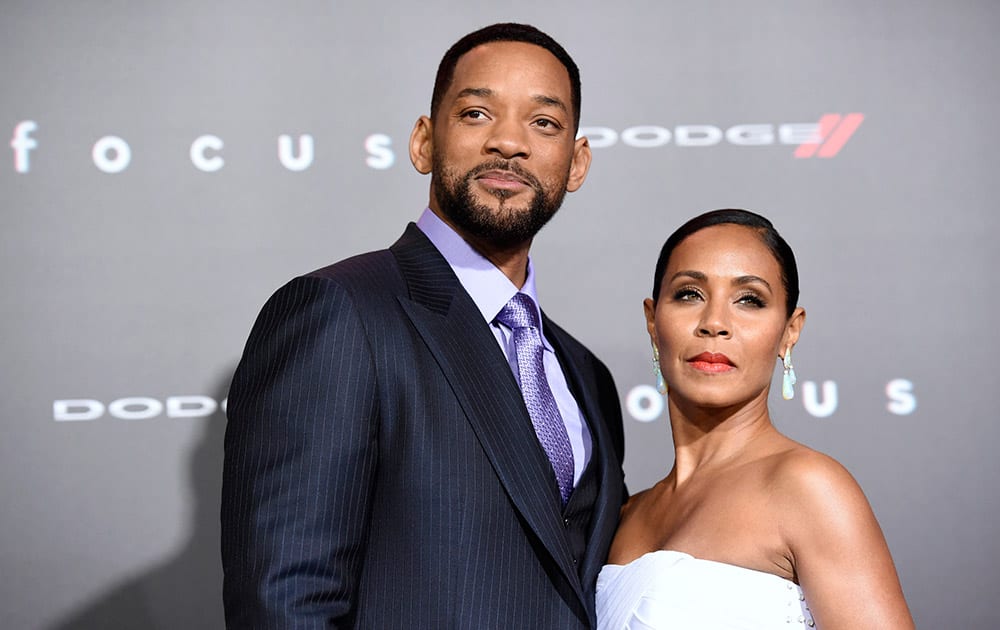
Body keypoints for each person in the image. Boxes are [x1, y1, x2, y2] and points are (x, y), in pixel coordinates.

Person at [221, 23, 626, 629]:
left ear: (577, 162)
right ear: (422, 142)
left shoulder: (585, 372)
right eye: (476, 113)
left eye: (544, 123)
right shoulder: (339, 313)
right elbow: (284, 600)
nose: (509, 142)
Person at [596, 209, 914, 629]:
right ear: (653, 322)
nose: (714, 323)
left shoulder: (808, 488)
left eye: (749, 300)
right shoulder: (626, 515)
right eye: (689, 294)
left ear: (789, 331)